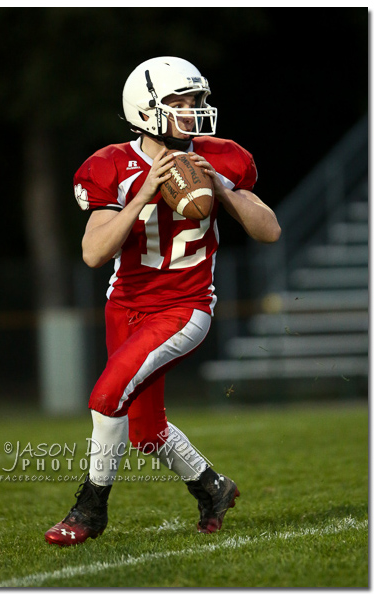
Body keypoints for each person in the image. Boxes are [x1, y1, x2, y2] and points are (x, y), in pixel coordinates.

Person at [45, 56, 281, 546]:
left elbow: (270, 231)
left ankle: (89, 510)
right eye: (181, 102)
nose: (194, 111)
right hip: (124, 306)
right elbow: (93, 253)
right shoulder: (110, 165)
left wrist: (219, 185)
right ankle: (213, 487)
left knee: (106, 397)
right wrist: (145, 194)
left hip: (185, 306)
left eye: (198, 101)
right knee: (145, 432)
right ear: (146, 109)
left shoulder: (223, 156)